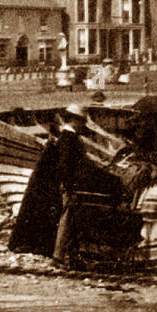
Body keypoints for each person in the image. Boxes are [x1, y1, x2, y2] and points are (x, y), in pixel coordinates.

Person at [51, 104, 90, 268]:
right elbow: (64, 165)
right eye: (81, 121)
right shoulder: (69, 138)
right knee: (67, 219)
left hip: (70, 185)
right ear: (74, 120)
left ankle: (70, 256)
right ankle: (59, 257)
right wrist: (70, 186)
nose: (83, 125)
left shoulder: (67, 136)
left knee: (71, 219)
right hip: (70, 186)